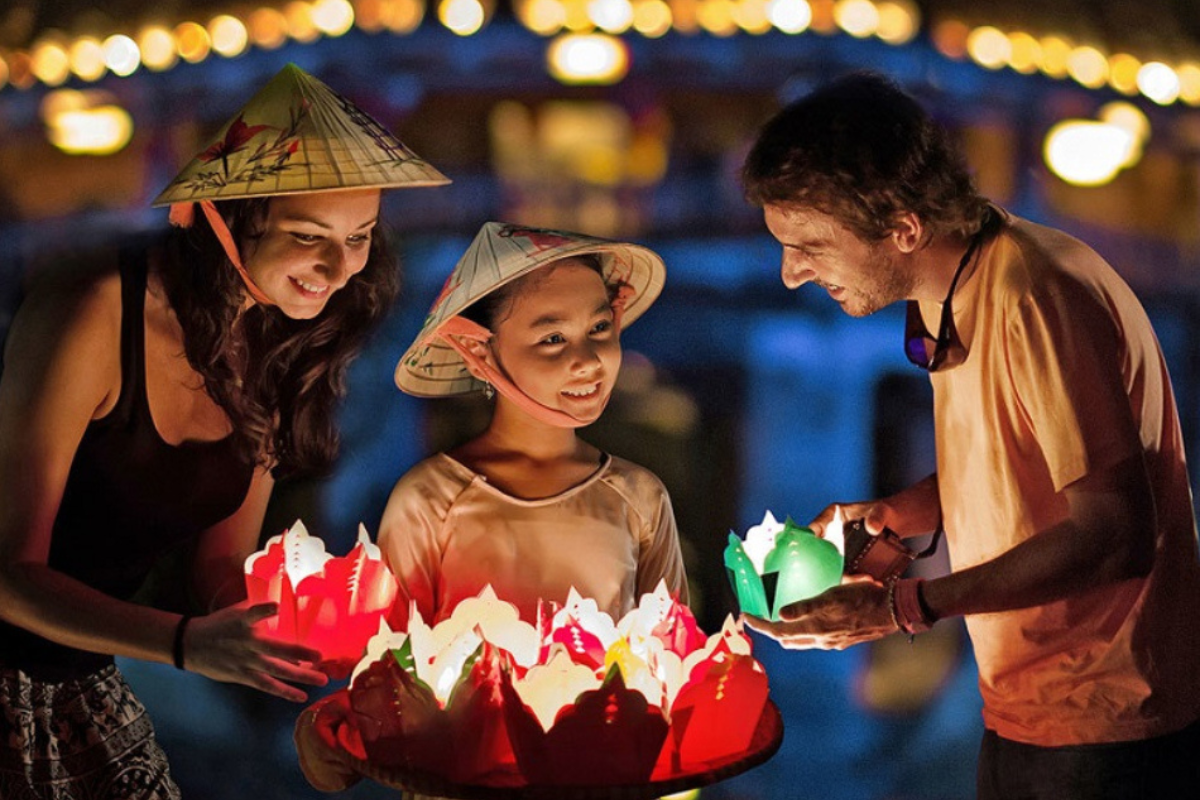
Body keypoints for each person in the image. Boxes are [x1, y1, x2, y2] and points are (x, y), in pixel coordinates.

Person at [739, 71, 1200, 799]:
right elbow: (1028, 462)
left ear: (904, 228)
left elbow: (1117, 530)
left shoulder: (1034, 295)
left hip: (1104, 720)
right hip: (1030, 703)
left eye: (810, 245)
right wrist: (899, 514)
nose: (793, 274)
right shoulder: (954, 288)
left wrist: (904, 607)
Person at [0, 63, 448, 798]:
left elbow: (219, 574)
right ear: (229, 218)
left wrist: (332, 630)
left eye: (360, 236)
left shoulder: (277, 346)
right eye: (309, 235)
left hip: (81, 675)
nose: (339, 268)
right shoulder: (96, 310)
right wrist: (183, 644)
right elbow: (10, 577)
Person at [383, 221, 689, 626]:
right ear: (479, 348)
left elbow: (674, 655)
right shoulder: (428, 501)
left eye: (598, 328)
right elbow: (389, 669)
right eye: (553, 339)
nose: (588, 361)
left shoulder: (641, 499)